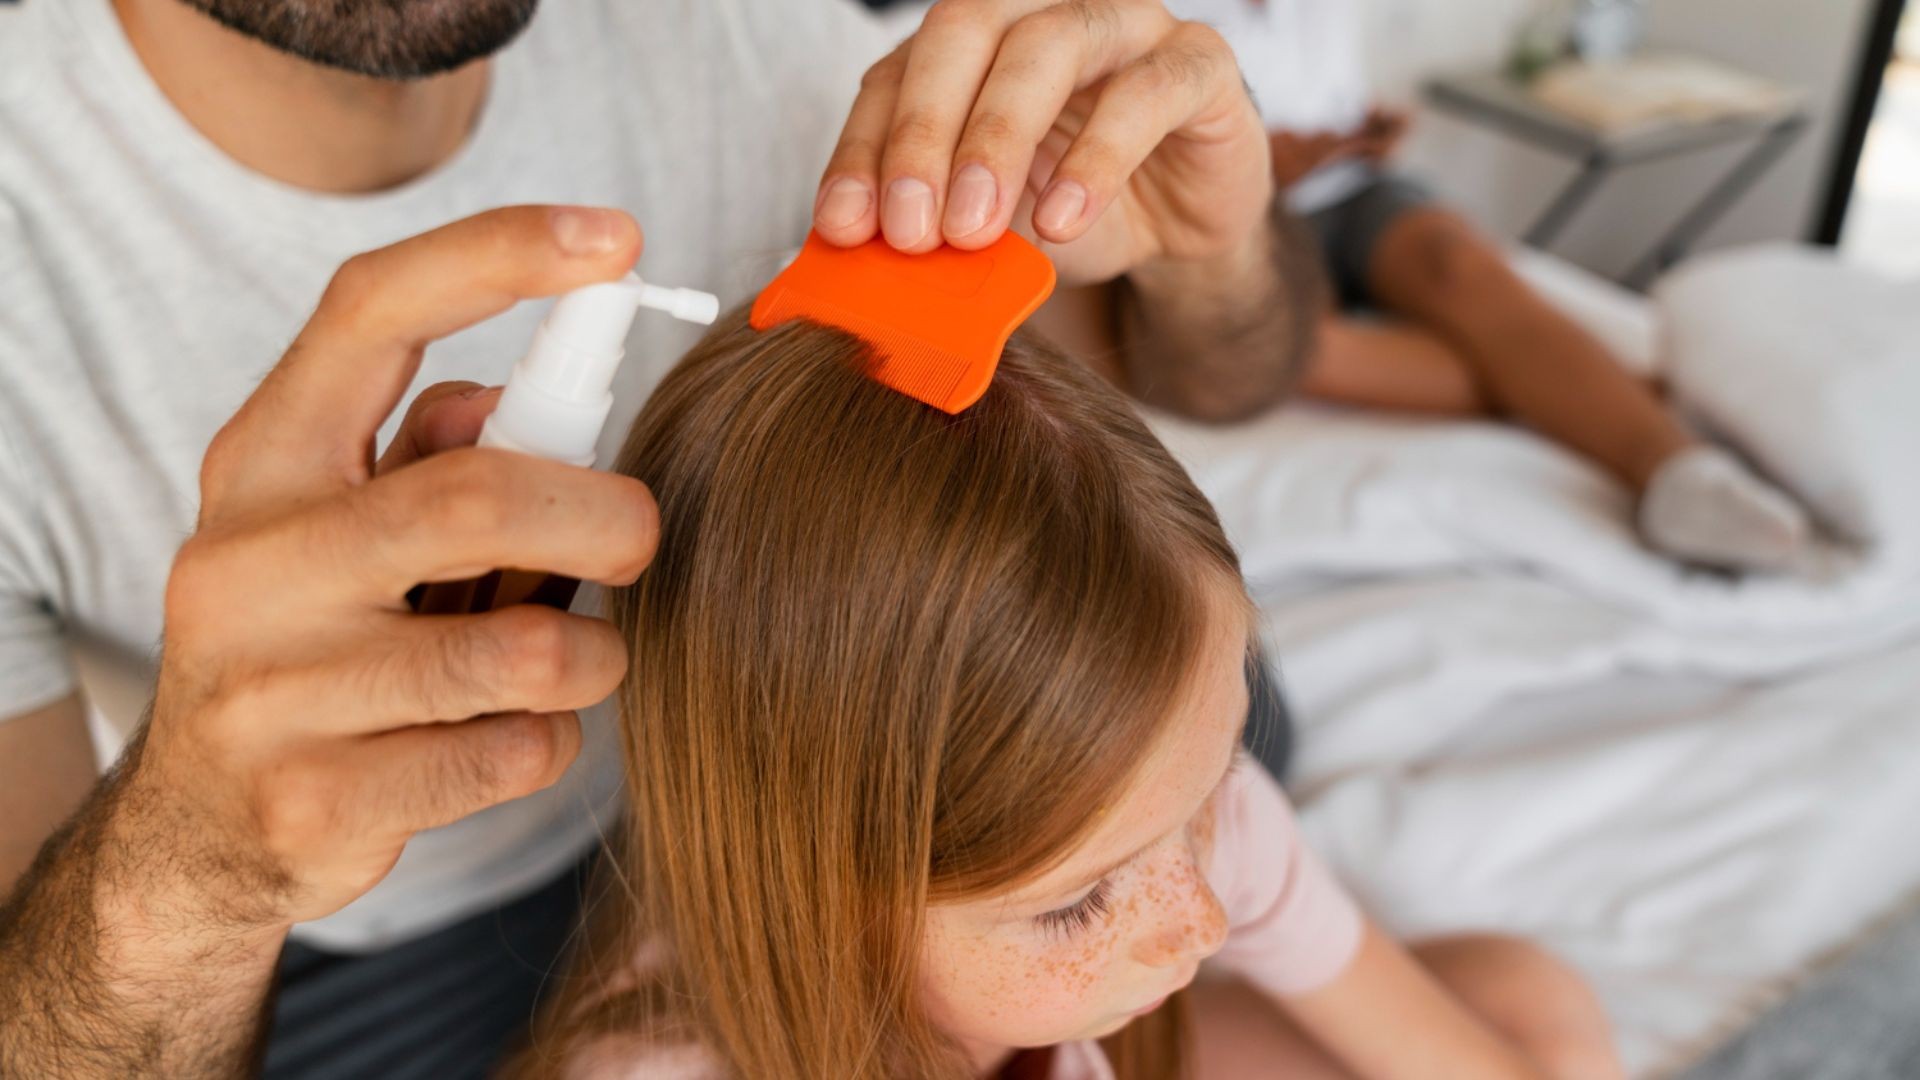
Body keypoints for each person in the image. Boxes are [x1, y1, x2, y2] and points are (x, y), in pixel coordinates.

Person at [0, 1, 1313, 1076]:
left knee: (1235, 738)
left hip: (839, 776)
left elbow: (1189, 379)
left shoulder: (749, 38)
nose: (1191, 910)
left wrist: (1215, 258)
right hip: (409, 937)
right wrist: (190, 875)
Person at [506, 309, 1624, 1079]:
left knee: (1528, 1004)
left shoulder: (1187, 830)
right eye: (1074, 906)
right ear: (814, 883)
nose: (1202, 919)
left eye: (1212, 778)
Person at [1166, 0, 1814, 574]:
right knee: (1286, 350)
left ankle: (1679, 471)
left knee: (1458, 264)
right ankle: (1621, 395)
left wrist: (1367, 127)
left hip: (1352, 188)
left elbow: (1330, 96)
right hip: (1237, 213)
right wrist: (1259, 156)